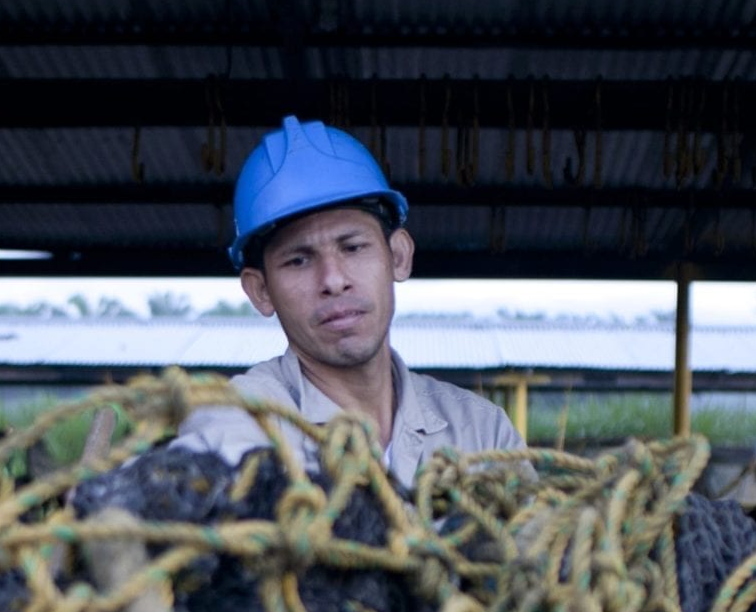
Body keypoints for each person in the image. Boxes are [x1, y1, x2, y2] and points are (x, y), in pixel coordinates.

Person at [175, 116, 523, 488]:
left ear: (399, 256)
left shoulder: (482, 433)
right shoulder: (232, 427)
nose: (333, 280)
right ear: (261, 291)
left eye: (353, 247)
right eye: (299, 260)